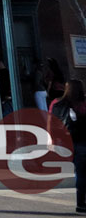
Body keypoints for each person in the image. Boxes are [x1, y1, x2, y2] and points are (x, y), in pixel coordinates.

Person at [51, 78, 86, 213]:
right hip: (81, 141)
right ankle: (81, 203)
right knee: (82, 173)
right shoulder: (82, 104)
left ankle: (81, 203)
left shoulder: (56, 104)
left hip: (65, 143)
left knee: (80, 172)